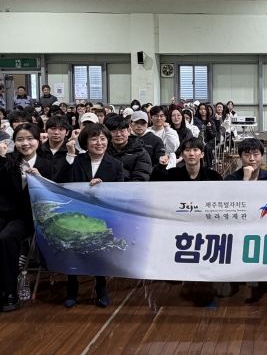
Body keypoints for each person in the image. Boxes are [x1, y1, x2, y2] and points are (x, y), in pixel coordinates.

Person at [57, 123, 124, 308]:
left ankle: (101, 288)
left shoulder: (116, 164)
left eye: (103, 139)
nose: (99, 143)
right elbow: (61, 182)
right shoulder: (77, 160)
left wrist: (104, 188)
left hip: (101, 216)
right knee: (72, 250)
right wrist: (70, 156)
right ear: (86, 143)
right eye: (94, 139)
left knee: (99, 251)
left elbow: (120, 192)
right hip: (75, 213)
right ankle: (72, 289)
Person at [0, 123, 53, 311]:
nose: (25, 143)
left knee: (6, 238)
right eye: (20, 139)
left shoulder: (47, 165)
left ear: (38, 141)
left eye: (30, 139)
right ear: (14, 142)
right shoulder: (8, 162)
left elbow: (54, 195)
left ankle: (9, 291)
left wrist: (41, 180)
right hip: (5, 213)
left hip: (32, 217)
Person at [103, 114, 153, 182]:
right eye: (114, 131)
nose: (118, 135)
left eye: (122, 131)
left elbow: (141, 178)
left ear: (129, 131)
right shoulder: (102, 151)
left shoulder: (140, 153)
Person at [151, 138, 222, 181]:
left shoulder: (213, 177)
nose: (191, 153)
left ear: (202, 154)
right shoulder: (173, 174)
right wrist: (161, 166)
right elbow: (154, 182)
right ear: (182, 155)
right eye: (187, 150)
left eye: (195, 150)